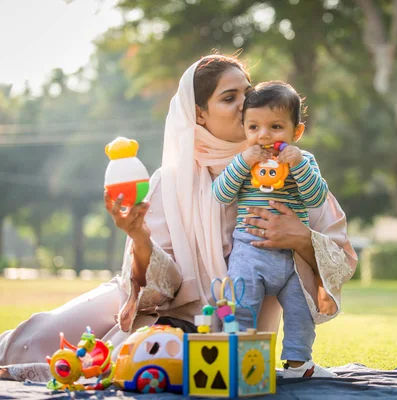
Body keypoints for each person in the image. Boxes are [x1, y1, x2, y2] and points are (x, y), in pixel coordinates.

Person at [0, 54, 357, 382]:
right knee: (36, 340)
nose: (244, 106)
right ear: (199, 113)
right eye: (229, 98)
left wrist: (300, 238)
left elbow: (341, 255)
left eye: (246, 95)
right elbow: (161, 287)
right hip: (161, 312)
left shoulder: (291, 167)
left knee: (145, 365)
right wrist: (138, 235)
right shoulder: (170, 182)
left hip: (228, 330)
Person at [212, 81, 332, 377]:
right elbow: (220, 195)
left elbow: (317, 198)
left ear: (296, 132)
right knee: (242, 304)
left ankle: (298, 362)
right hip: (249, 252)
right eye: (253, 127)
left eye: (276, 127)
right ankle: (239, 360)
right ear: (244, 129)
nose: (263, 135)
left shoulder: (305, 161)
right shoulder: (242, 163)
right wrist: (241, 163)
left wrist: (299, 164)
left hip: (292, 259)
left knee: (301, 311)